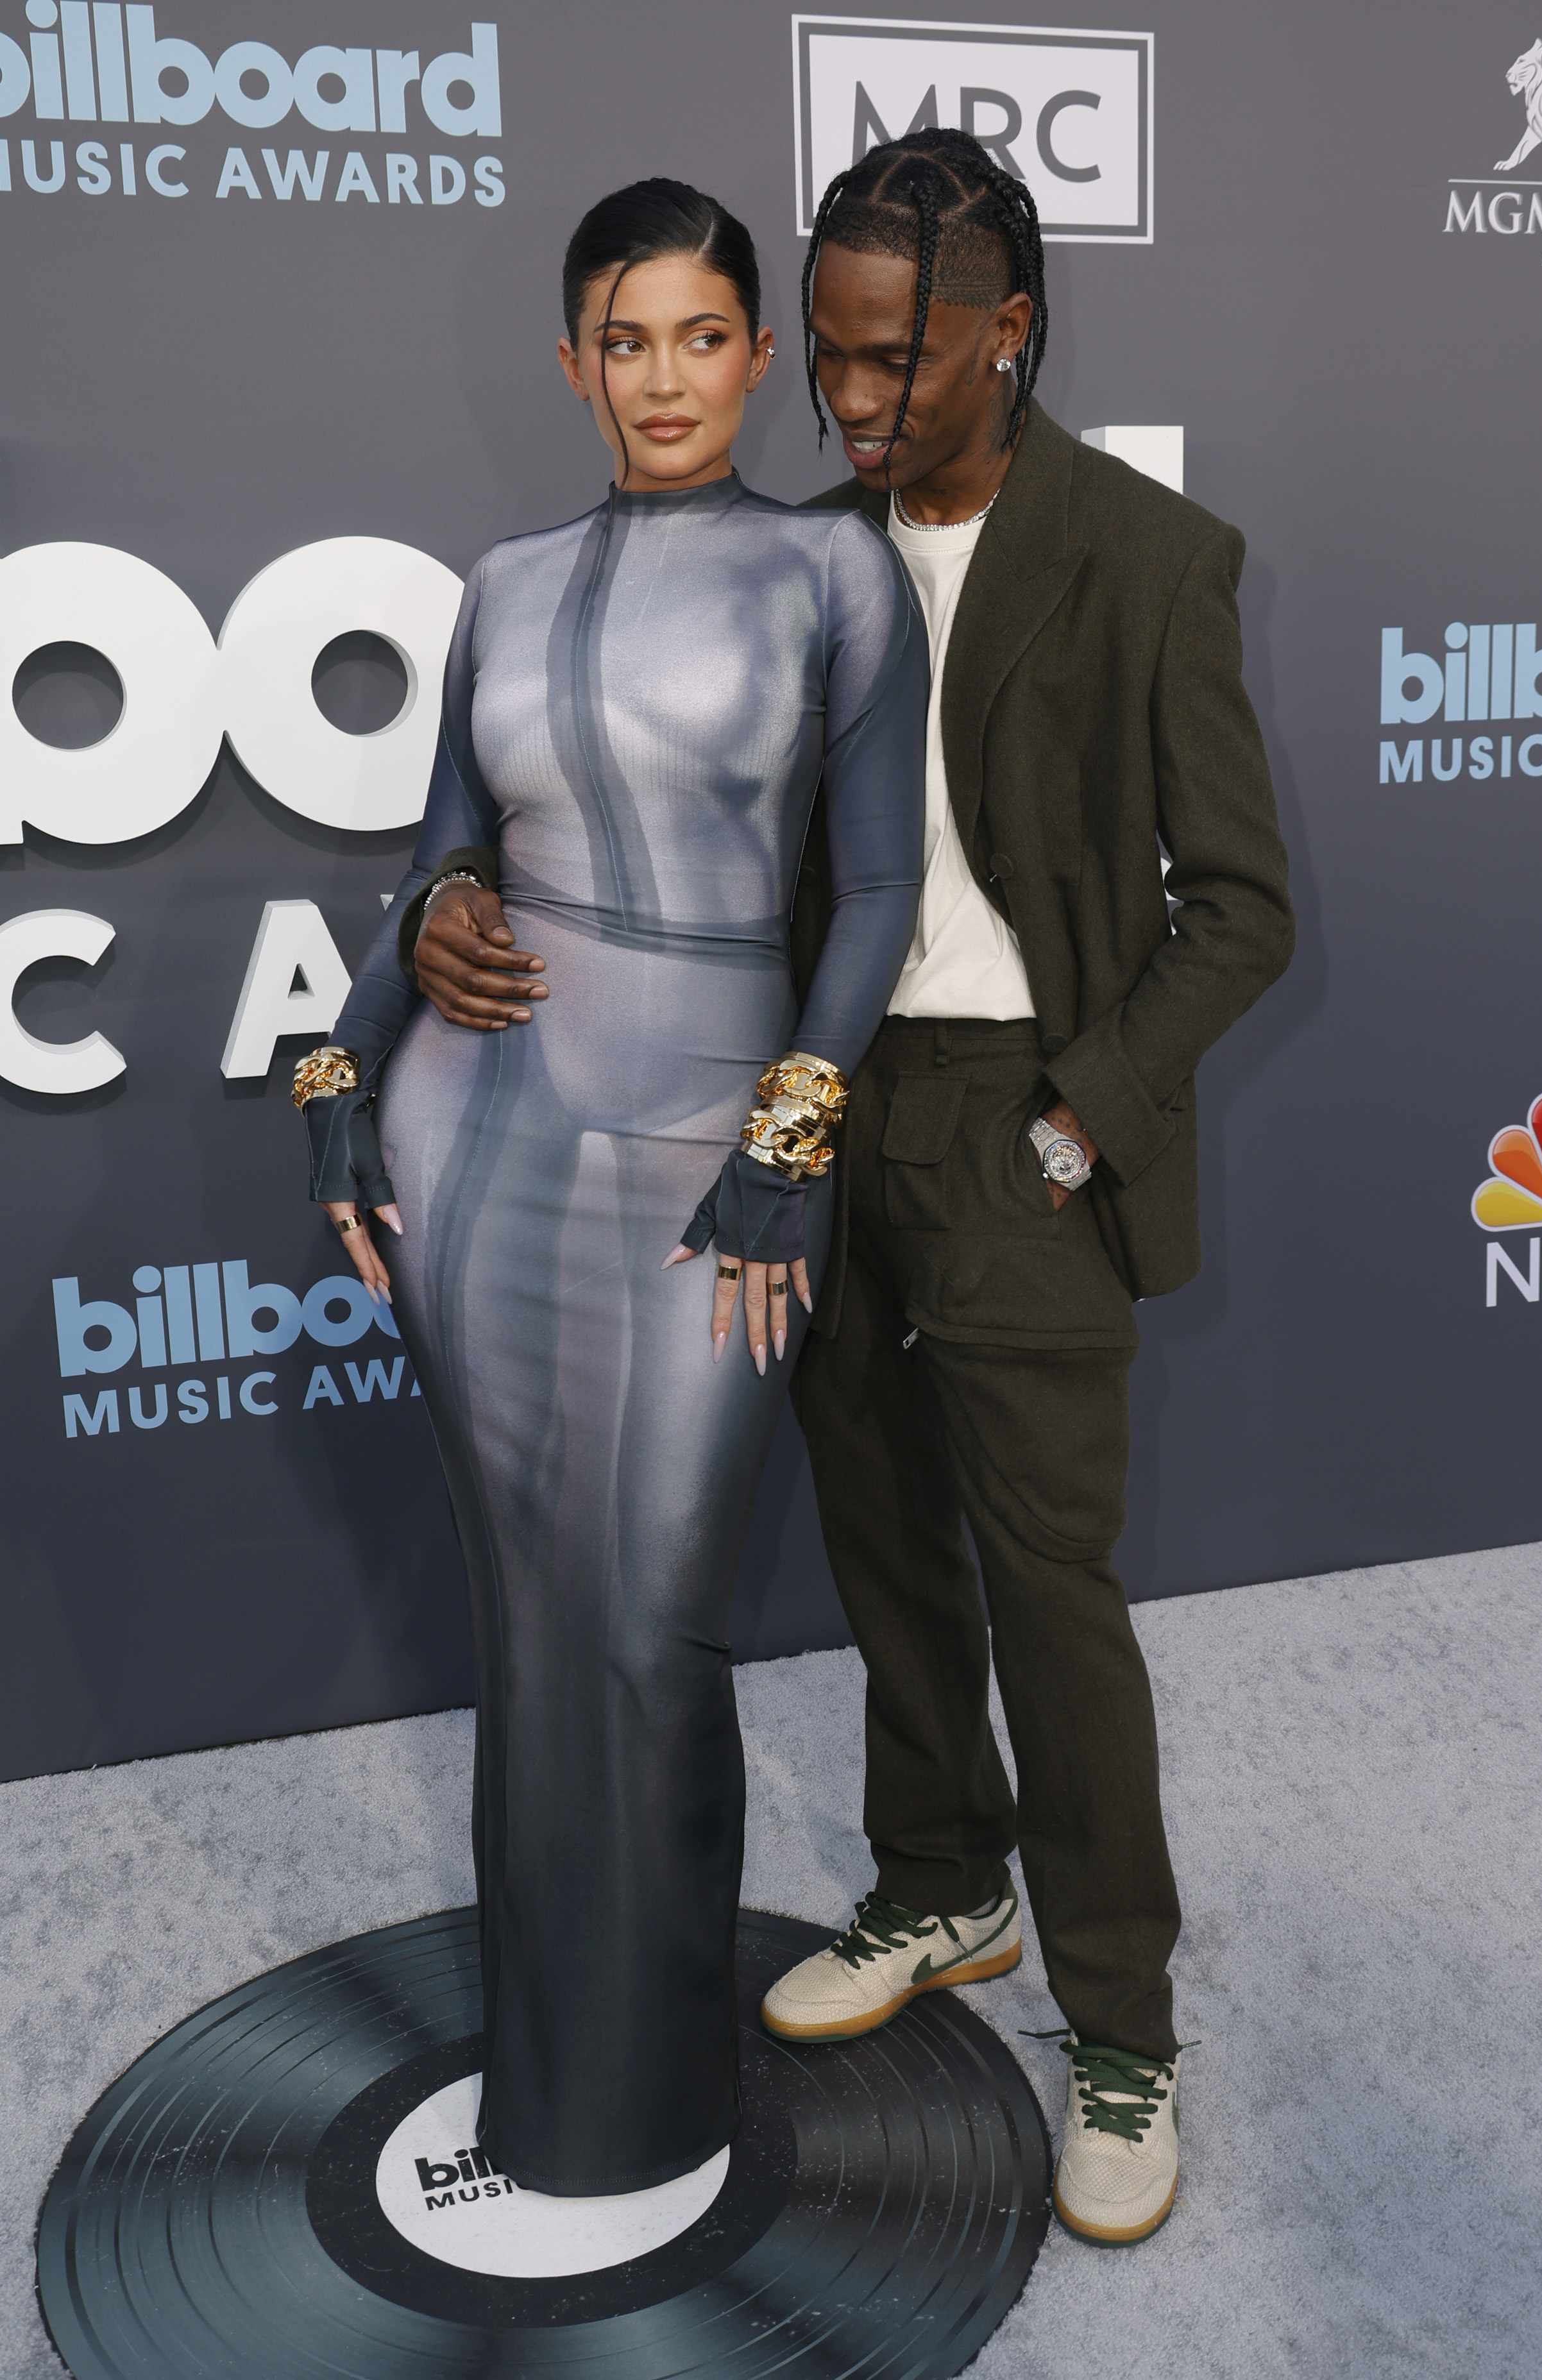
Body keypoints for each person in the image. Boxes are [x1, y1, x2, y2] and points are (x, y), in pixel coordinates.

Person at [292, 178, 928, 2198]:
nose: (661, 377)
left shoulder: (832, 582)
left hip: (709, 1161)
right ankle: (558, 2087)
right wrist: (334, 1084)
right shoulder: (503, 577)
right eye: (621, 341)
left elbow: (885, 892)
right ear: (574, 362)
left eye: (700, 336)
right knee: (537, 1627)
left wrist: (788, 1142)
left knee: (651, 1622)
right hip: (471, 1147)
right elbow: (438, 866)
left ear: (756, 355)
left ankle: (656, 2105)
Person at [753, 128, 1296, 2246]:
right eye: (828, 362)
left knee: (1051, 1597)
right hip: (837, 1112)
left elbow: (1237, 909)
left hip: (1019, 1120)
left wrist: (1076, 1116)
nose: (856, 405)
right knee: (879, 1537)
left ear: (1008, 330)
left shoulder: (1151, 559)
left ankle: (1124, 2027)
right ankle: (936, 1887)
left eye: (897, 364)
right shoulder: (799, 558)